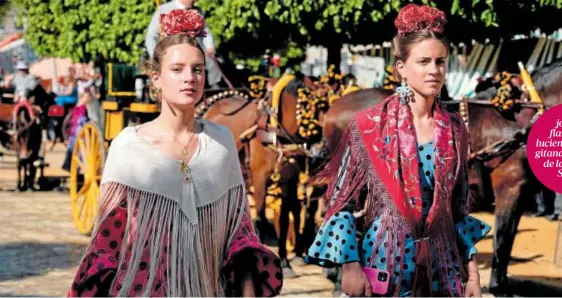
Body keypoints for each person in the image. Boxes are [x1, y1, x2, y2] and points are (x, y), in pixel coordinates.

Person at [68, 9, 283, 297]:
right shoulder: (128, 147)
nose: (189, 78)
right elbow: (107, 243)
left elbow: (239, 231)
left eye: (197, 69)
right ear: (155, 78)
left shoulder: (221, 142)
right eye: (177, 69)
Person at [306, 4, 491, 297]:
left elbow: (458, 211)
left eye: (440, 61)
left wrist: (472, 275)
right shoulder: (369, 126)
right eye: (424, 61)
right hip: (384, 266)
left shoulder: (456, 129)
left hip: (443, 271)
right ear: (401, 68)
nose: (434, 70)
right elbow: (341, 203)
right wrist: (350, 266)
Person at [145, 0, 221, 90]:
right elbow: (151, 37)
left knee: (211, 61)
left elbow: (206, 32)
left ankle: (214, 88)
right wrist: (157, 56)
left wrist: (209, 47)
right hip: (173, 52)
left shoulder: (197, 11)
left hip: (196, 51)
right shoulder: (164, 9)